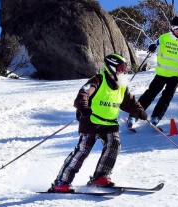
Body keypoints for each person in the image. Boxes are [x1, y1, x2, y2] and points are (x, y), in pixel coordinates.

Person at [49, 54, 148, 193]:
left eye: (125, 68)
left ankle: (100, 177)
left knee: (114, 145)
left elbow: (130, 102)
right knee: (83, 150)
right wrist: (84, 108)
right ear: (111, 67)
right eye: (120, 68)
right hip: (91, 121)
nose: (123, 71)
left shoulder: (121, 85)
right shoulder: (97, 80)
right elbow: (82, 95)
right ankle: (62, 182)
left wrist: (139, 111)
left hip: (110, 123)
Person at [127, 16, 178, 127]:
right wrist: (152, 47)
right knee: (150, 93)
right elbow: (154, 46)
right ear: (171, 28)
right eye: (175, 28)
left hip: (177, 75)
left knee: (167, 96)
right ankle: (134, 115)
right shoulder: (164, 38)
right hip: (162, 73)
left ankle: (156, 117)